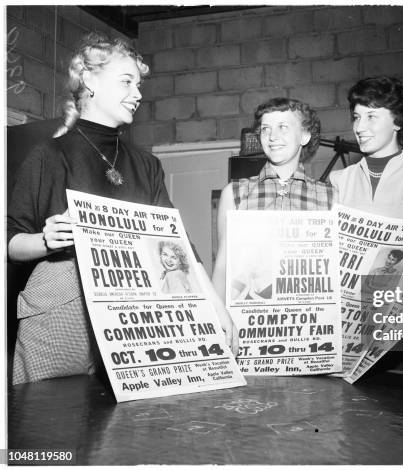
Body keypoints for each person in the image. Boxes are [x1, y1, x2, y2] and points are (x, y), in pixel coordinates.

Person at [7, 33, 237, 385]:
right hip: (62, 312)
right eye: (127, 81)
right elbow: (9, 241)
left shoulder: (146, 165)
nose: (138, 94)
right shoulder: (49, 155)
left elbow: (179, 246)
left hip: (133, 312)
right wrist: (45, 239)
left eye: (139, 84)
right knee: (50, 424)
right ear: (89, 80)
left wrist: (217, 308)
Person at [212, 98, 335, 301]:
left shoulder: (329, 197)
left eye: (283, 127)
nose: (272, 137)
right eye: (266, 129)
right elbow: (223, 269)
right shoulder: (235, 193)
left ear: (304, 135)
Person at [329, 76, 403, 218]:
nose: (359, 128)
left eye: (371, 117)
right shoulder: (339, 180)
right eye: (357, 117)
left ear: (398, 121)